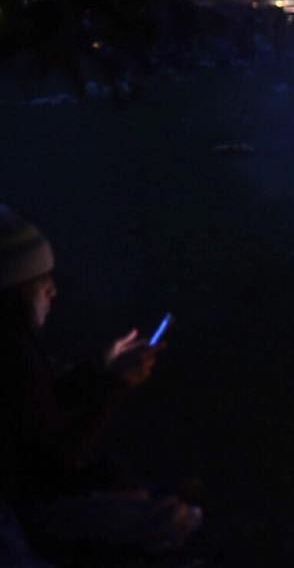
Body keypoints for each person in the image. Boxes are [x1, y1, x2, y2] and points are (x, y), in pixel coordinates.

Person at [0, 206, 200, 559]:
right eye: (42, 282)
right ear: (15, 292)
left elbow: (38, 407)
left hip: (25, 505)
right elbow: (54, 457)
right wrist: (115, 383)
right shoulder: (11, 353)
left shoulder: (19, 351)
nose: (53, 293)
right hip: (18, 516)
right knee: (164, 521)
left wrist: (101, 369)